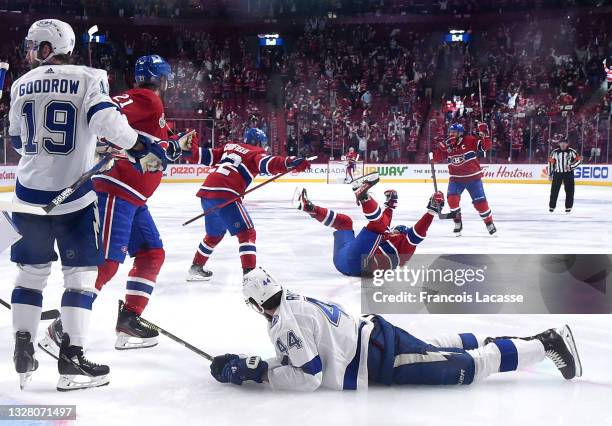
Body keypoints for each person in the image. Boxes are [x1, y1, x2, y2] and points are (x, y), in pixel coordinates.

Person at [8, 19, 172, 391]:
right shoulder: (89, 76)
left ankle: (24, 345)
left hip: (27, 198)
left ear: (47, 48)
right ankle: (72, 361)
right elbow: (107, 122)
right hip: (74, 201)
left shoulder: (19, 85)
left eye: (35, 45)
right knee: (79, 279)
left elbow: (18, 142)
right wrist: (138, 147)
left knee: (31, 275)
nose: (31, 51)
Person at [38, 55, 193, 356]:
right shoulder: (146, 98)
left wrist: (175, 145)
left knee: (151, 253)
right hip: (118, 192)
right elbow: (107, 110)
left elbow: (152, 147)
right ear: (161, 79)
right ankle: (62, 329)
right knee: (106, 262)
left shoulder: (151, 110)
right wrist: (98, 138)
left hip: (134, 199)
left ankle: (129, 321)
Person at [209, 267, 582, 390]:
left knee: (464, 369)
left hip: (377, 358)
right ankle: (500, 341)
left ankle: (545, 344)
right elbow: (301, 354)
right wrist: (257, 364)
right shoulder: (290, 304)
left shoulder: (284, 323)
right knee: (433, 345)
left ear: (257, 302)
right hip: (373, 339)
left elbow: (309, 377)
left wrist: (260, 377)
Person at [186, 138, 311, 281]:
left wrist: (189, 149)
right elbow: (267, 163)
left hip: (207, 192)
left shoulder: (230, 147)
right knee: (247, 233)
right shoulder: (255, 152)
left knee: (214, 234)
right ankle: (250, 276)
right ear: (258, 143)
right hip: (226, 192)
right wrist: (289, 162)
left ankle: (196, 267)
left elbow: (204, 155)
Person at [293, 173, 443, 277]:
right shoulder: (389, 238)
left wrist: (431, 212)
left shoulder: (405, 246)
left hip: (359, 264)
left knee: (379, 226)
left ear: (401, 233)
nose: (391, 231)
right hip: (342, 259)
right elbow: (385, 224)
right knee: (345, 222)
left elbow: (417, 233)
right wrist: (390, 206)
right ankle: (308, 207)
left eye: (394, 231)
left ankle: (364, 197)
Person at [432, 123, 496, 237]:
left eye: (454, 132)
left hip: (473, 179)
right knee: (452, 200)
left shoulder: (469, 140)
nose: (451, 134)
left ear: (460, 133)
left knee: (481, 204)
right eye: (450, 132)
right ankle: (457, 223)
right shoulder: (448, 144)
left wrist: (485, 134)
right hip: (456, 180)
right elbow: (436, 159)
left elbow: (485, 147)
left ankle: (489, 223)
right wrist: (441, 147)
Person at [548, 137, 581, 213]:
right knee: (554, 191)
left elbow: (578, 161)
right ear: (559, 143)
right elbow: (550, 163)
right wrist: (550, 174)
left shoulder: (572, 151)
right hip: (557, 173)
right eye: (561, 142)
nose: (563, 144)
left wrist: (571, 166)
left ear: (567, 144)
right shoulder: (554, 152)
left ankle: (568, 207)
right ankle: (552, 207)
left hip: (568, 174)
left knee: (570, 191)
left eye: (565, 143)